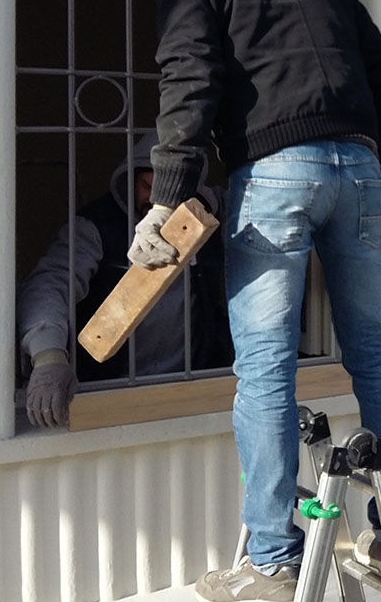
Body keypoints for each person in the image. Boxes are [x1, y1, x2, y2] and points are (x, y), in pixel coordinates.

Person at [131, 0, 381, 602]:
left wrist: (166, 197)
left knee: (265, 367)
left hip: (276, 171)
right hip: (356, 166)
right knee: (373, 350)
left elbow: (190, 74)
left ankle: (273, 555)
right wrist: (379, 168)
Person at [17, 132, 231, 428]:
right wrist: (48, 357)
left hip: (190, 390)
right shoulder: (95, 227)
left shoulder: (207, 220)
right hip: (109, 391)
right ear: (129, 181)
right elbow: (51, 284)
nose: (155, 201)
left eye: (169, 191)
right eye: (146, 186)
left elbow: (255, 207)